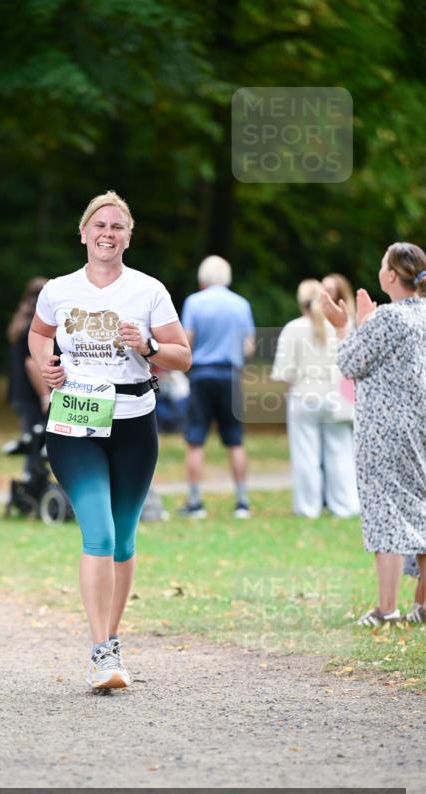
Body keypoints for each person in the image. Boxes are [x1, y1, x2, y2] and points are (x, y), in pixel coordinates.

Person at [28, 190, 191, 690]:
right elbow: (38, 334)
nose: (107, 233)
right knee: (96, 530)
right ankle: (102, 652)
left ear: (128, 237)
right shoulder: (58, 290)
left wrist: (149, 346)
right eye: (99, 225)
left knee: (122, 538)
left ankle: (111, 641)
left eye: (117, 226)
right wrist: (45, 364)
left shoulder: (148, 291)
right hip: (75, 419)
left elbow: (182, 356)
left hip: (134, 421)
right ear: (83, 233)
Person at [321, 241, 426, 627]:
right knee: (420, 506)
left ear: (391, 275)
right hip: (421, 424)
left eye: (383, 264)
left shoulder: (390, 319)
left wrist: (345, 326)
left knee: (386, 512)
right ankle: (423, 602)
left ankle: (386, 607)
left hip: (385, 429)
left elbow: (349, 363)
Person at [271, 279, 358, 518]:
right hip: (335, 397)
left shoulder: (293, 328)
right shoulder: (342, 325)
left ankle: (308, 508)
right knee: (340, 452)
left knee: (305, 455)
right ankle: (345, 505)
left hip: (303, 396)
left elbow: (285, 373)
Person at [179, 255, 255, 519]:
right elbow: (249, 346)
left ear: (203, 278)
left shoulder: (193, 303)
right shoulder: (241, 304)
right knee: (235, 440)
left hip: (200, 375)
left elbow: (186, 340)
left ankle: (195, 501)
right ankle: (242, 501)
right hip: (229, 376)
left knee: (195, 440)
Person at [7, 276, 50, 475]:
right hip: (32, 394)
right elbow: (32, 363)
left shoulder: (20, 321)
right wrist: (44, 395)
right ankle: (32, 486)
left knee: (31, 440)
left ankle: (29, 482)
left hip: (20, 394)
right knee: (37, 442)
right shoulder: (35, 326)